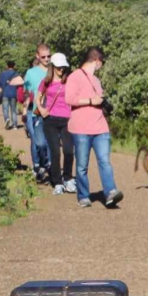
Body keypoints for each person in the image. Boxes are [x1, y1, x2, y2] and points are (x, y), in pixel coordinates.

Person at [66, 47, 122, 209]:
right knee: (82, 164)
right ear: (97, 60)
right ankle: (83, 196)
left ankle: (110, 192)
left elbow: (98, 100)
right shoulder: (74, 76)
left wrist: (103, 104)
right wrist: (91, 101)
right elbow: (69, 99)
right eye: (102, 63)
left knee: (104, 160)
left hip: (100, 126)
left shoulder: (96, 80)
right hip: (81, 128)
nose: (101, 66)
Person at [38, 53, 76, 195]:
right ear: (53, 67)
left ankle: (67, 178)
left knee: (68, 150)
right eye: (59, 67)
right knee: (55, 152)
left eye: (63, 67)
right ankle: (57, 182)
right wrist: (42, 110)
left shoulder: (69, 81)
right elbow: (38, 97)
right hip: (50, 119)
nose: (61, 70)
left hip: (67, 119)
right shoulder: (46, 81)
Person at [23, 45, 51, 180]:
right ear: (37, 56)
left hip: (52, 113)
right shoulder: (31, 73)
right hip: (35, 112)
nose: (46, 59)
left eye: (48, 56)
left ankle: (48, 165)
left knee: (49, 142)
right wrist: (25, 111)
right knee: (36, 141)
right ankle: (37, 165)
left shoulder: (55, 71)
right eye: (43, 56)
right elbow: (28, 94)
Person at [0, 61, 20, 129]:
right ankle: (15, 125)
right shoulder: (16, 74)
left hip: (5, 93)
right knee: (13, 110)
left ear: (7, 66)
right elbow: (19, 85)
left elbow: (0, 84)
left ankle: (7, 118)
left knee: (5, 109)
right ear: (14, 66)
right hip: (13, 93)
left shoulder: (3, 74)